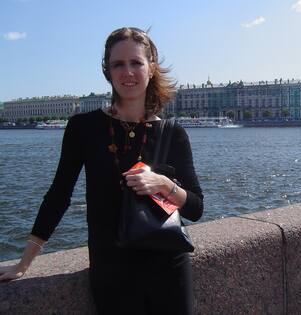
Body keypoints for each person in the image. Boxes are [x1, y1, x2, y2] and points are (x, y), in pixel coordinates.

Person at [0, 27, 204, 314]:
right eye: (118, 64)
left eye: (136, 63)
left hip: (169, 268)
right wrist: (25, 262)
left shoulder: (173, 133)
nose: (128, 72)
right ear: (106, 70)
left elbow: (195, 207)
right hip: (113, 271)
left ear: (151, 67)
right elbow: (59, 195)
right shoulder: (84, 127)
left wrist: (163, 184)